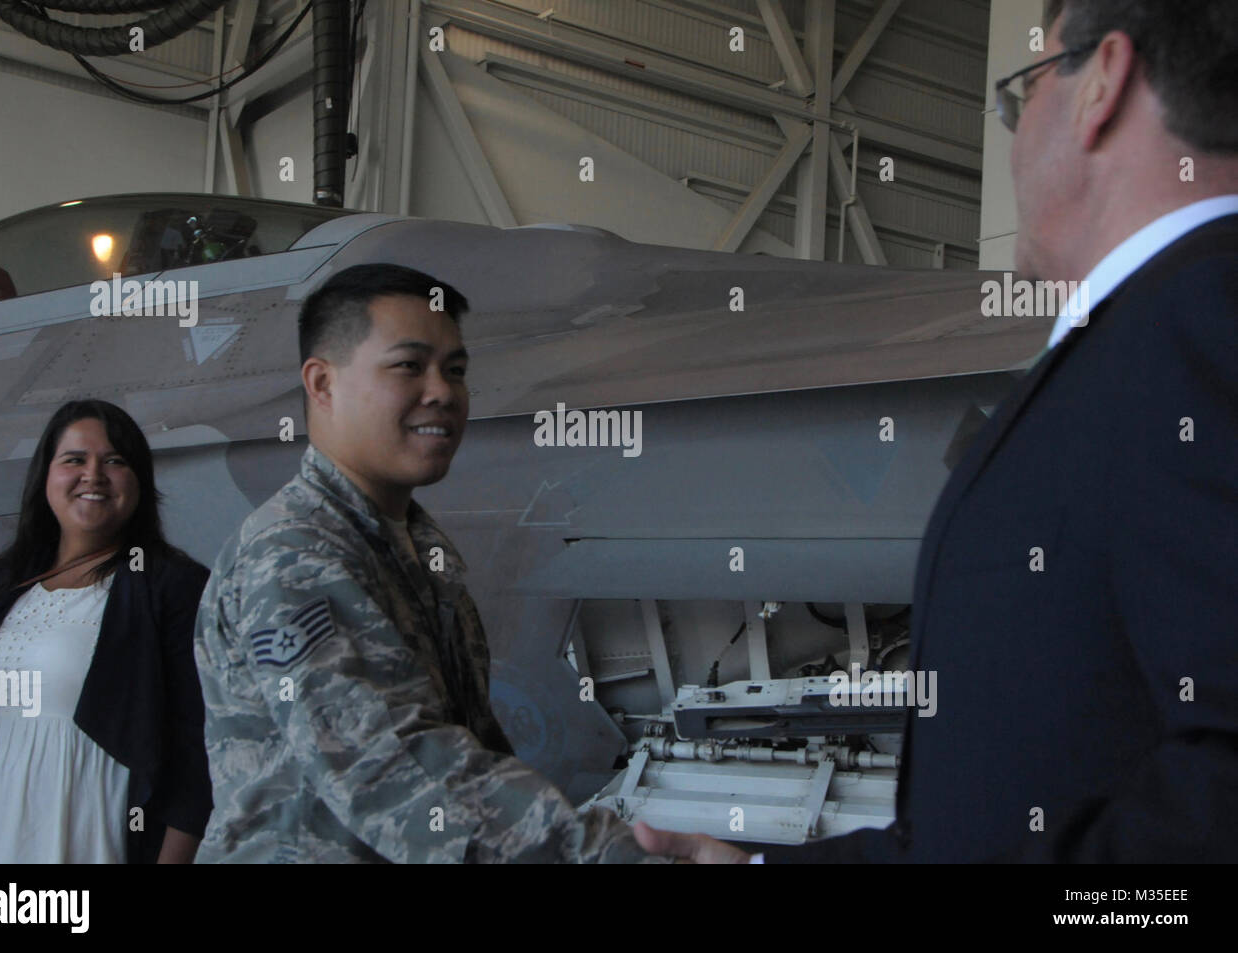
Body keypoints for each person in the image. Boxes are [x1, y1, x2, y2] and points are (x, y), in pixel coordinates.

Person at [634, 0, 1238, 863]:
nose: (1014, 135)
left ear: (1100, 81)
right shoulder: (1140, 346)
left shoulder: (1197, 332)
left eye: (1022, 89)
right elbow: (982, 822)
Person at [194, 263, 660, 863]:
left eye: (456, 370)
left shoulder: (417, 551)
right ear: (322, 384)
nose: (442, 391)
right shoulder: (294, 554)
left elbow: (470, 746)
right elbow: (392, 768)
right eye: (409, 366)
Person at [0, 400, 213, 863]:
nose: (93, 475)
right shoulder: (0, 580)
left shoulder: (173, 587)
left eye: (115, 461)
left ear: (140, 482)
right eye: (74, 460)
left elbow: (199, 753)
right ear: (45, 476)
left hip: (81, 836)